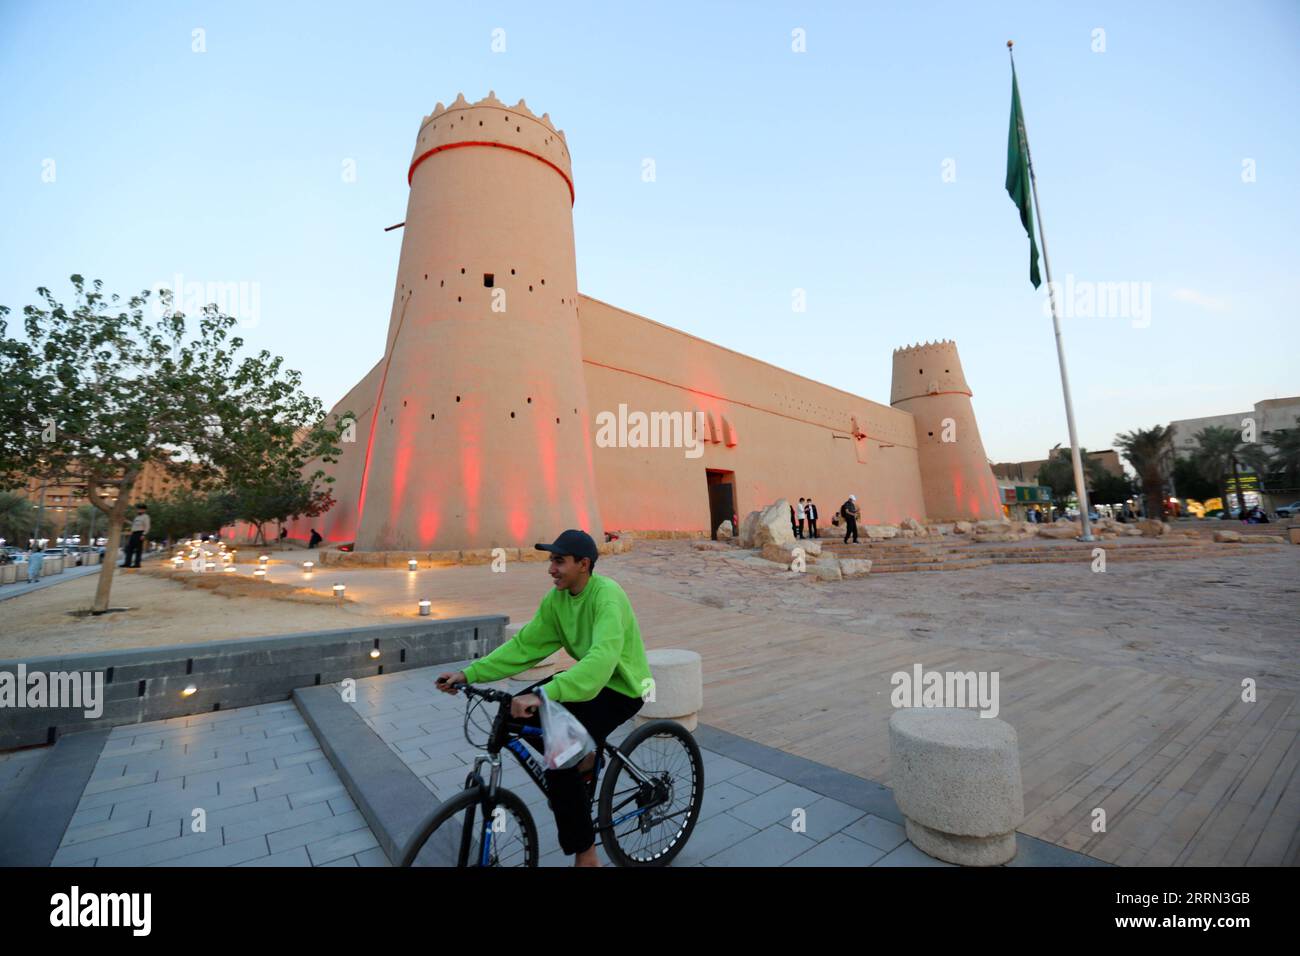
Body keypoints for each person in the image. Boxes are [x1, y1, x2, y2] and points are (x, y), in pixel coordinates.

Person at [435, 529, 652, 868]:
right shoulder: (557, 600)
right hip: (586, 683)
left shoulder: (607, 597)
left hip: (620, 688)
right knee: (512, 714)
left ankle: (587, 854)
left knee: (558, 760)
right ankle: (583, 760)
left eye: (559, 561)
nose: (551, 568)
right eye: (551, 560)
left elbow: (600, 663)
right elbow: (525, 647)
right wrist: (469, 674)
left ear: (584, 564)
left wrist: (543, 694)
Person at [123, 504, 149, 569]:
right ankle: (127, 563)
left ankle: (137, 564)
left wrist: (144, 534)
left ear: (144, 510)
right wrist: (126, 521)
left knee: (138, 550)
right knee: (129, 549)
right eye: (138, 509)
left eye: (139, 509)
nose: (138, 510)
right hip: (133, 533)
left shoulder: (146, 517)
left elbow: (147, 526)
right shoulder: (137, 517)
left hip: (140, 534)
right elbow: (134, 524)